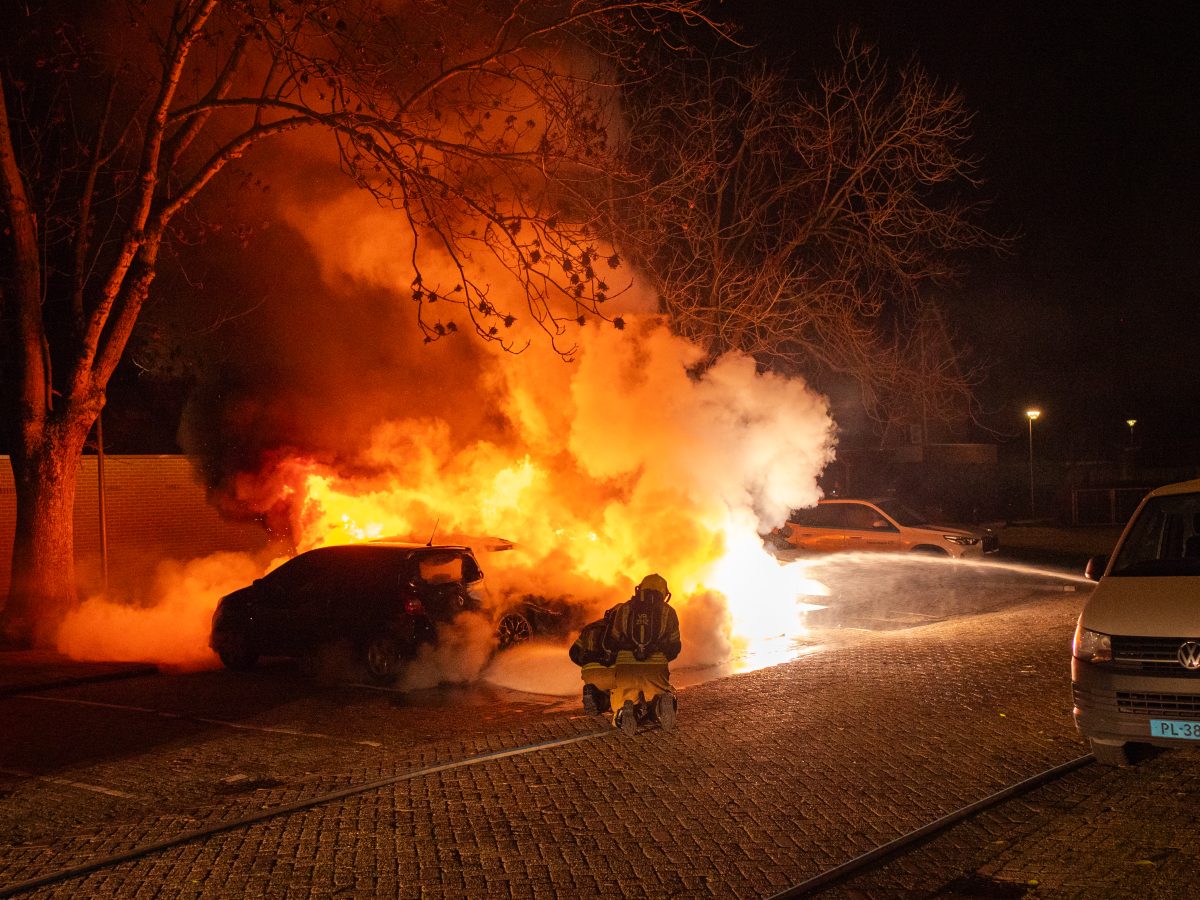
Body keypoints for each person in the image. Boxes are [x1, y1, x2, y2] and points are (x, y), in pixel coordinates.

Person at [604, 572, 681, 734]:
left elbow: (611, 641)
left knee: (623, 696)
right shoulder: (669, 612)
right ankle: (661, 704)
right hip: (656, 665)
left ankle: (625, 711)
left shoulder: (624, 609)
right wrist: (661, 657)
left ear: (640, 589)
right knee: (660, 690)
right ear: (664, 592)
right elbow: (675, 646)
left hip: (626, 664)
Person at [568, 610, 616, 715]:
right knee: (626, 689)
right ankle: (610, 703)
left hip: (589, 674)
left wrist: (586, 665)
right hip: (613, 674)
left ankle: (595, 695)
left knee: (601, 686)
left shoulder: (590, 628)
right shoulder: (621, 628)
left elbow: (573, 653)